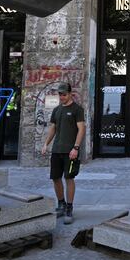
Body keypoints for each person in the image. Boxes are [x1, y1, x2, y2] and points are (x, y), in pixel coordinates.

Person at [41, 82, 85, 225]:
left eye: (64, 94)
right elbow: (53, 128)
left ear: (70, 94)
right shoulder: (56, 110)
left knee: (69, 178)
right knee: (55, 178)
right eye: (60, 94)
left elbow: (81, 129)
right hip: (57, 150)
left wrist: (76, 148)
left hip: (70, 151)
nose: (62, 97)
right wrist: (46, 144)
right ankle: (61, 204)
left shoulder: (77, 110)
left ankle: (69, 208)